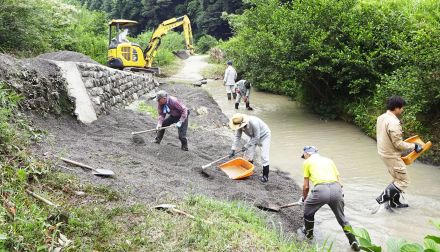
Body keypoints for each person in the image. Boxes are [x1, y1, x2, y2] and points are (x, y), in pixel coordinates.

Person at [299, 146, 360, 251]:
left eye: (304, 156)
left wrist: (304, 199)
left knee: (308, 212)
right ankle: (355, 244)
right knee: (342, 219)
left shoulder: (307, 162)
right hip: (336, 189)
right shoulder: (329, 160)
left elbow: (306, 186)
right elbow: (338, 180)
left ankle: (309, 236)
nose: (304, 158)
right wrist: (340, 193)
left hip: (321, 190)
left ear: (307, 154)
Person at [375, 96, 423, 209]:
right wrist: (414, 146)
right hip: (391, 155)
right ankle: (381, 199)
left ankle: (394, 203)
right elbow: (398, 144)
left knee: (397, 179)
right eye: (402, 108)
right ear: (396, 108)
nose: (402, 110)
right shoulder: (393, 123)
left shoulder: (381, 117)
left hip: (383, 152)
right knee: (404, 181)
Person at [228, 113, 271, 182]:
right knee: (248, 154)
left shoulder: (254, 122)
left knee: (264, 156)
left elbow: (257, 137)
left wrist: (246, 145)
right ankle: (249, 171)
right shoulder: (239, 125)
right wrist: (233, 149)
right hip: (252, 136)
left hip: (264, 136)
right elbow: (237, 136)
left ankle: (265, 176)